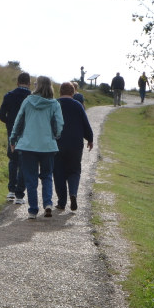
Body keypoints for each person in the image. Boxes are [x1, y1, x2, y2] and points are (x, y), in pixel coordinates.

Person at [9, 76, 63, 220]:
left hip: (28, 145)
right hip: (47, 146)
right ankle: (48, 203)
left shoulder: (27, 101)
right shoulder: (54, 104)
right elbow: (59, 124)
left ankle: (33, 210)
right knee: (47, 176)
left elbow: (19, 121)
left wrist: (13, 138)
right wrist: (55, 136)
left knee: (31, 178)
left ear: (37, 86)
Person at [54, 82, 93, 213]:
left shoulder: (55, 104)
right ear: (73, 93)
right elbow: (85, 124)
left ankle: (61, 202)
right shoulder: (78, 105)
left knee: (58, 171)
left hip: (57, 143)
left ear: (60, 92)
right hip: (76, 144)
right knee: (74, 170)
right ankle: (73, 194)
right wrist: (90, 139)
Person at [0, 71, 31, 203]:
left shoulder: (9, 96)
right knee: (24, 162)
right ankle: (19, 194)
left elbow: (1, 115)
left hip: (12, 132)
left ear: (17, 82)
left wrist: (10, 123)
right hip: (27, 133)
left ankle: (11, 190)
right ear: (29, 84)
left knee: (13, 160)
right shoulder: (31, 97)